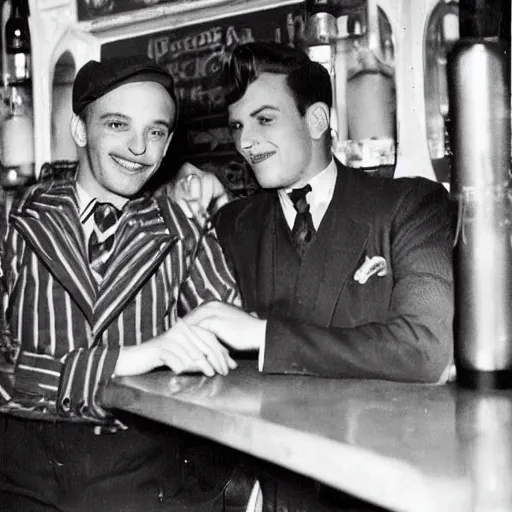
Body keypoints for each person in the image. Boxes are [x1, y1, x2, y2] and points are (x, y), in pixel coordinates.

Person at [172, 41, 454, 512]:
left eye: (265, 119)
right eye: (238, 126)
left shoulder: (409, 205)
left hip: (373, 488)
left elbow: (425, 349)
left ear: (318, 119)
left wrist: (261, 336)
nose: (245, 142)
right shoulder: (228, 224)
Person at [0, 56, 244, 512]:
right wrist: (141, 356)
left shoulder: (181, 226)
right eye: (117, 124)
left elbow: (235, 340)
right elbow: (8, 370)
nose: (138, 148)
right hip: (22, 480)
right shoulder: (19, 218)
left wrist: (223, 207)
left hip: (141, 479)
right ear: (80, 130)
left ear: (169, 142)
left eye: (155, 132)